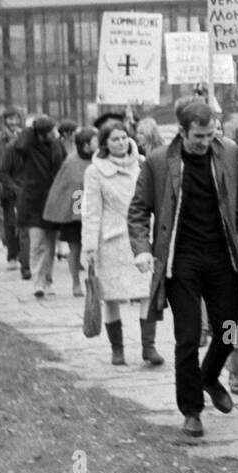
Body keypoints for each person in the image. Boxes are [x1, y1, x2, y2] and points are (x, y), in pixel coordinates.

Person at [127, 100, 238, 438]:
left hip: (222, 255)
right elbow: (138, 209)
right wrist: (142, 250)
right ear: (181, 132)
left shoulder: (229, 153)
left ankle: (209, 375)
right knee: (188, 335)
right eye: (198, 136)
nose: (205, 141)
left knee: (229, 326)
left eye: (211, 134)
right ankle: (192, 410)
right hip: (180, 260)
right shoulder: (158, 162)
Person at [82, 121, 162, 367]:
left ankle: (149, 347)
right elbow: (91, 211)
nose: (121, 142)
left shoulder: (142, 163)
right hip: (111, 240)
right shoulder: (95, 171)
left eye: (124, 137)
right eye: (114, 139)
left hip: (140, 238)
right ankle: (117, 349)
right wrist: (90, 247)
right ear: (105, 143)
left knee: (147, 290)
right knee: (111, 296)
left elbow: (153, 199)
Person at [7, 115, 67, 298]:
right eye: (50, 131)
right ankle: (38, 282)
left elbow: (62, 165)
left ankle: (48, 280)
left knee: (50, 243)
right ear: (40, 134)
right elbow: (18, 145)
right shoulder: (28, 147)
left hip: (52, 199)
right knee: (37, 243)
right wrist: (30, 128)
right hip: (33, 201)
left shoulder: (57, 145)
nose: (54, 134)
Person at [43, 125, 97, 296]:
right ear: (86, 145)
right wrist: (77, 212)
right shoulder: (71, 162)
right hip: (74, 214)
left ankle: (96, 283)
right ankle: (75, 283)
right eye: (96, 141)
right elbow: (67, 188)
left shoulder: (101, 160)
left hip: (95, 213)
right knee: (75, 248)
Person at [0, 108, 25, 271]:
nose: (13, 122)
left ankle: (25, 254)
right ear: (5, 121)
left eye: (16, 118)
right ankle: (12, 255)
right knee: (10, 222)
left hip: (25, 186)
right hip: (6, 187)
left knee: (25, 222)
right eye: (10, 119)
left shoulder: (26, 137)